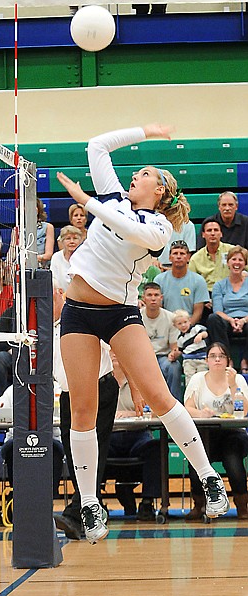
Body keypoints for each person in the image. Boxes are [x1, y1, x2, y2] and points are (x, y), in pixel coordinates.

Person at [56, 123, 229, 544]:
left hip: (119, 313)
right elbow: (96, 144)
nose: (136, 175)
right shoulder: (114, 197)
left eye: (145, 173)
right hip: (78, 313)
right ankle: (90, 504)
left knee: (157, 395)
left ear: (160, 192)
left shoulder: (159, 229)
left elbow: (129, 230)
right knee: (82, 408)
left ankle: (209, 479)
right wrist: (145, 132)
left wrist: (86, 203)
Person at [52, 280, 118, 540]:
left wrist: (133, 389)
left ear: (60, 294)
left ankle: (77, 512)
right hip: (69, 396)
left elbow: (117, 351)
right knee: (74, 452)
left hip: (98, 389)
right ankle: (93, 509)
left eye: (48, 298)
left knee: (93, 451)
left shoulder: (82, 315)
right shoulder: (48, 328)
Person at [184, 342, 248, 520]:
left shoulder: (238, 379)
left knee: (233, 459)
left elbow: (243, 411)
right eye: (213, 356)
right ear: (206, 360)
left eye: (221, 356)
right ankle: (199, 505)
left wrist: (233, 385)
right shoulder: (197, 379)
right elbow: (187, 408)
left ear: (228, 360)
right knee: (196, 460)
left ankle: (242, 505)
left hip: (232, 433)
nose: (217, 359)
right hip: (205, 432)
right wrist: (201, 413)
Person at [0, 384, 64, 500]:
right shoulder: (13, 389)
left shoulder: (58, 389)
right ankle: (18, 497)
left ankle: (49, 498)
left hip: (51, 440)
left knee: (53, 450)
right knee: (14, 449)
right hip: (16, 440)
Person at [109, 352, 161, 521]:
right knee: (93, 448)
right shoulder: (100, 382)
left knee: (155, 447)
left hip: (137, 434)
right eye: (111, 351)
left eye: (118, 351)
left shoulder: (140, 382)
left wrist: (131, 413)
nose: (115, 355)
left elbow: (155, 411)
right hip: (110, 435)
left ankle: (147, 502)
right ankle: (95, 503)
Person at [207, 245, 248, 373]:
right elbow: (218, 310)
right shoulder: (219, 285)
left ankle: (245, 360)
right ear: (228, 262)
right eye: (234, 259)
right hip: (227, 320)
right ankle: (227, 358)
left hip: (246, 320)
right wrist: (231, 320)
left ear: (245, 263)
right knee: (213, 319)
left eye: (240, 260)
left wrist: (243, 321)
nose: (237, 263)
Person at [140, 282, 182, 401]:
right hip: (143, 358)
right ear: (143, 298)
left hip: (163, 357)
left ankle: (175, 405)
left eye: (156, 295)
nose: (153, 298)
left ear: (161, 298)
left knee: (174, 366)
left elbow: (174, 346)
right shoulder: (137, 316)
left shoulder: (170, 317)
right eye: (149, 295)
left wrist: (174, 354)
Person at [154, 240, 209, 325]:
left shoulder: (199, 280)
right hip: (166, 325)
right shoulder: (159, 280)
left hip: (189, 326)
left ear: (188, 257)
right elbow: (158, 308)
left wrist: (186, 327)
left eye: (182, 254)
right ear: (169, 257)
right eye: (175, 253)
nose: (178, 256)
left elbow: (198, 311)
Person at [189, 218, 234, 293]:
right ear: (203, 234)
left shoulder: (232, 251)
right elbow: (191, 282)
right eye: (209, 230)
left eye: (216, 230)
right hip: (206, 295)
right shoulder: (196, 258)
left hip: (230, 293)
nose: (213, 233)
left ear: (221, 233)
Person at [173, 309, 208, 386]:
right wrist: (175, 353)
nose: (183, 325)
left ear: (189, 321)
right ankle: (190, 394)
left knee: (202, 378)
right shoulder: (180, 339)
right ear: (175, 326)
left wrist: (200, 335)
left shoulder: (196, 329)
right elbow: (181, 350)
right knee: (189, 379)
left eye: (185, 322)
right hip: (188, 360)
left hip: (201, 358)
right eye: (179, 323)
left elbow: (205, 333)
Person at [50, 225, 83, 293]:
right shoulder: (56, 257)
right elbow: (53, 278)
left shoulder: (84, 257)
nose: (72, 241)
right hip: (61, 295)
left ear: (80, 241)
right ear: (62, 241)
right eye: (68, 239)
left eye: (75, 238)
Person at [36, 197, 55, 268]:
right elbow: (12, 253)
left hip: (42, 266)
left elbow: (48, 255)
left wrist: (33, 259)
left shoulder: (48, 227)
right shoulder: (17, 229)